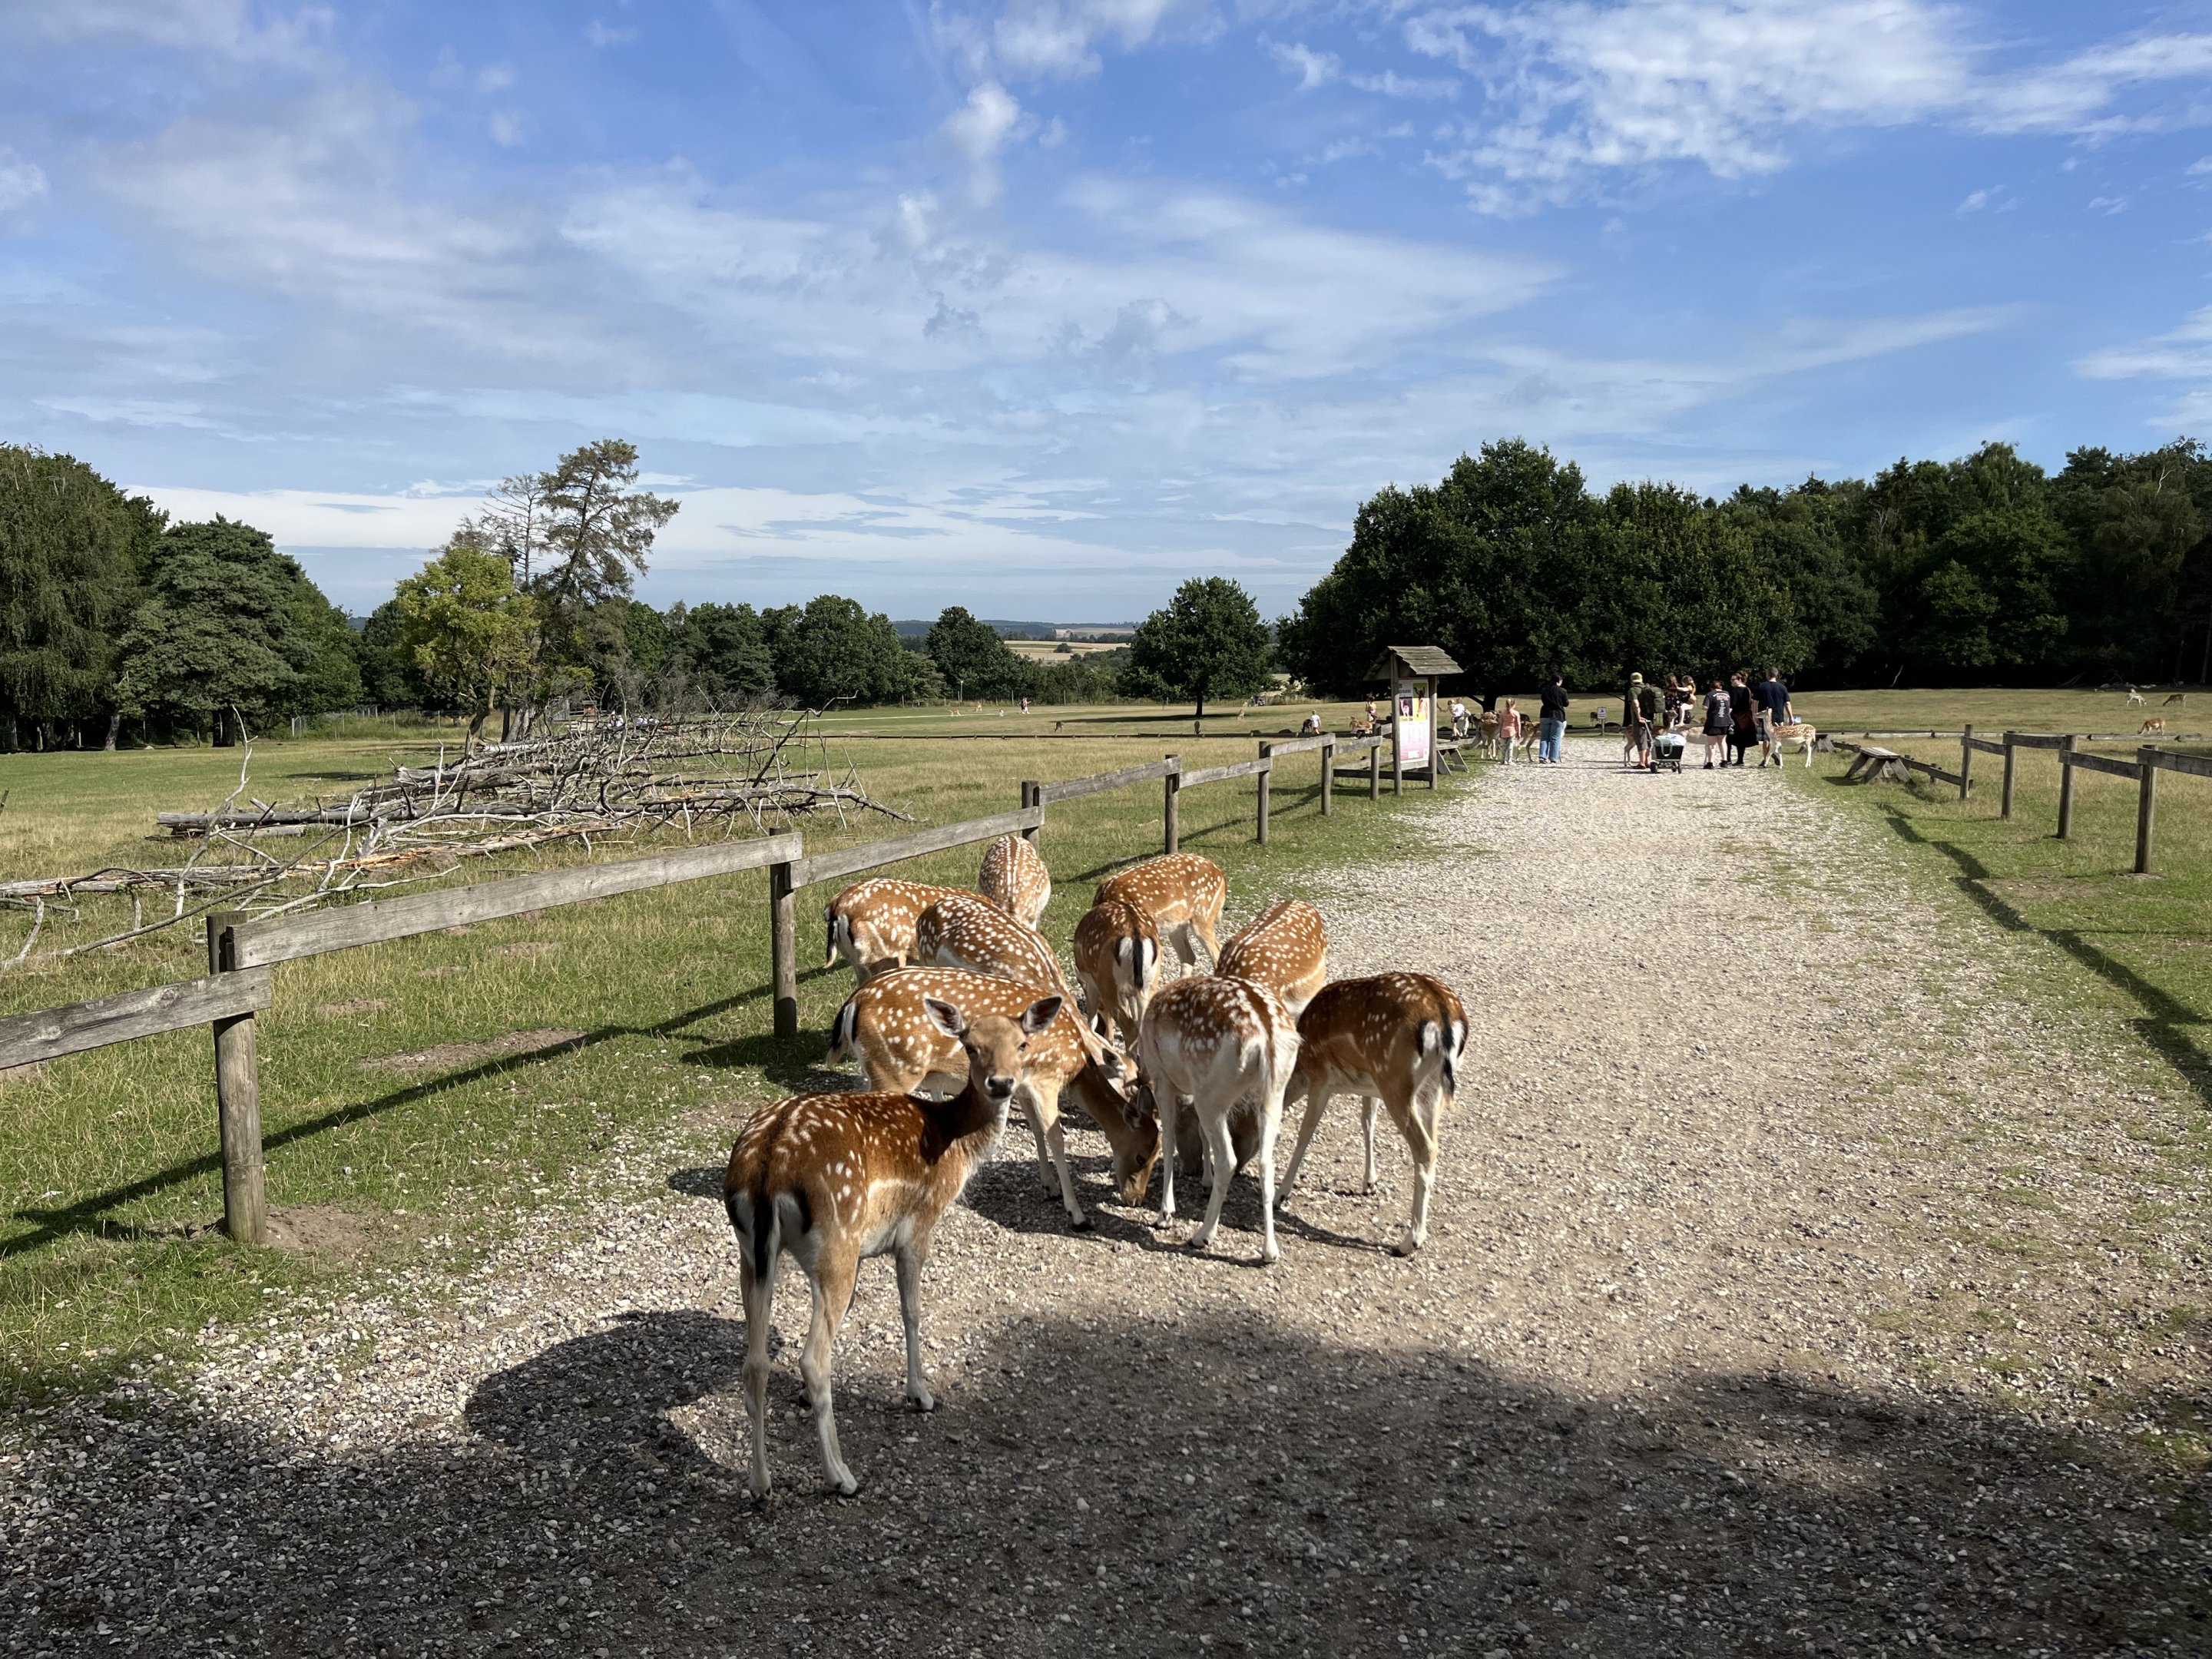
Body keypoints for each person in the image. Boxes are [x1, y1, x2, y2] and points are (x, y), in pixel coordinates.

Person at [1754, 668, 1794, 767]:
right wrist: (1791, 717)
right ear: (1776, 675)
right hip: (1778, 717)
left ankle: (1765, 760)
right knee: (1778, 740)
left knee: (1766, 740)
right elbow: (1787, 704)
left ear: (1768, 675)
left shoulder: (1761, 686)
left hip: (1765, 718)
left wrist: (1755, 715)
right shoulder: (1782, 688)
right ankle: (1778, 757)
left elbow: (1755, 702)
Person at [1623, 672, 1658, 770]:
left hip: (1640, 720)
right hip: (1650, 718)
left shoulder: (1633, 690)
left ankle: (1642, 763)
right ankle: (1648, 761)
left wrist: (1639, 716)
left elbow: (1635, 703)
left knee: (1640, 739)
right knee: (1648, 739)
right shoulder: (1648, 688)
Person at [1726, 671, 1757, 767]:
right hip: (1746, 717)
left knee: (1729, 738)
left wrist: (1727, 715)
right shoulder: (1748, 689)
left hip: (1735, 717)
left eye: (1733, 680)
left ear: (1739, 680)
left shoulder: (1735, 690)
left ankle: (1728, 759)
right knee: (1742, 740)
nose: (1731, 681)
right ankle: (1740, 760)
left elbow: (1732, 705)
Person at [1700, 677, 1731, 768]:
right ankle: (1724, 761)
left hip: (1713, 721)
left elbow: (1705, 707)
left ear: (1711, 688)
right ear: (1720, 687)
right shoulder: (1727, 694)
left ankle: (1710, 763)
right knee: (1722, 741)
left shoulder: (1710, 695)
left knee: (1711, 743)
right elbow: (1729, 707)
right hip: (1725, 720)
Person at [1538, 675, 1569, 763]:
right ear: (1559, 681)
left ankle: (1542, 756)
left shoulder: (1545, 691)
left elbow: (1543, 700)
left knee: (1544, 737)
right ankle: (1553, 758)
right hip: (1557, 715)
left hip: (1545, 714)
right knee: (1555, 737)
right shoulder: (1562, 691)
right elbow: (1566, 703)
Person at [1495, 697, 1522, 765]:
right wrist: (1518, 733)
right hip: (1512, 730)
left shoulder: (1503, 713)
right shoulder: (1515, 713)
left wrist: (1500, 732)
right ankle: (1509, 760)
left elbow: (1501, 723)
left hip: (1504, 730)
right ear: (1513, 704)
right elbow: (1518, 724)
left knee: (1504, 746)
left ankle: (1503, 760)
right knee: (1510, 746)